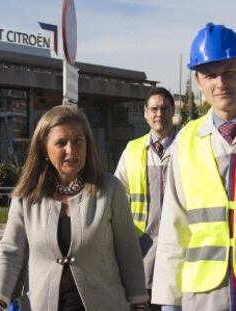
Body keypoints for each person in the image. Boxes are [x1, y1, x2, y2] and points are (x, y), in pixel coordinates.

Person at [0, 105, 149, 311]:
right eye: (61, 143)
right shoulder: (26, 197)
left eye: (78, 141)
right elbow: (11, 253)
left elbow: (128, 252)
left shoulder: (110, 190)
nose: (71, 150)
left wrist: (139, 303)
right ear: (44, 149)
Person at [152, 23, 236, 310]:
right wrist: (168, 301)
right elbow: (174, 228)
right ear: (198, 81)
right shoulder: (186, 141)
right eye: (210, 75)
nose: (220, 83)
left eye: (228, 72)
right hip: (204, 295)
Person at [115, 87, 176, 310]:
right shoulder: (132, 150)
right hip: (141, 253)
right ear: (145, 113)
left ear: (172, 111)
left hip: (177, 251)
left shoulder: (187, 147)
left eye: (164, 108)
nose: (159, 113)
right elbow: (117, 197)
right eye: (154, 109)